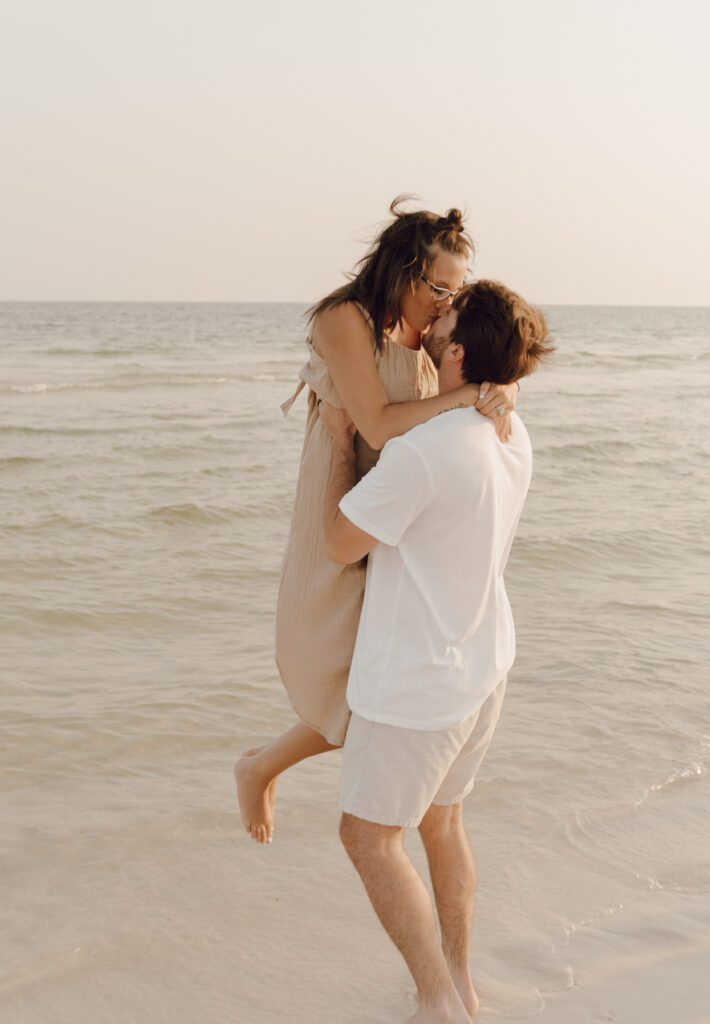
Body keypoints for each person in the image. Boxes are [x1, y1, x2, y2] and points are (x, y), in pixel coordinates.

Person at [236, 200, 519, 844]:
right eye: (439, 287)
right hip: (340, 500)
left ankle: (262, 765)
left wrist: (504, 388)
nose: (446, 301)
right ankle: (259, 769)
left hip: (394, 510)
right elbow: (376, 425)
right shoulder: (346, 320)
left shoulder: (426, 337)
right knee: (338, 674)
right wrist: (470, 395)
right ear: (403, 270)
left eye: (457, 290)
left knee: (376, 688)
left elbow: (485, 371)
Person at [318, 280, 554, 1024]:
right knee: (442, 822)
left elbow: (337, 542)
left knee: (366, 836)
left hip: (420, 684)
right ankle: (459, 979)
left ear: (455, 352)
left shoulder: (422, 453)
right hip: (484, 667)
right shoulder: (511, 434)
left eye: (443, 317)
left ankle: (436, 1002)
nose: (429, 321)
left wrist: (338, 447)